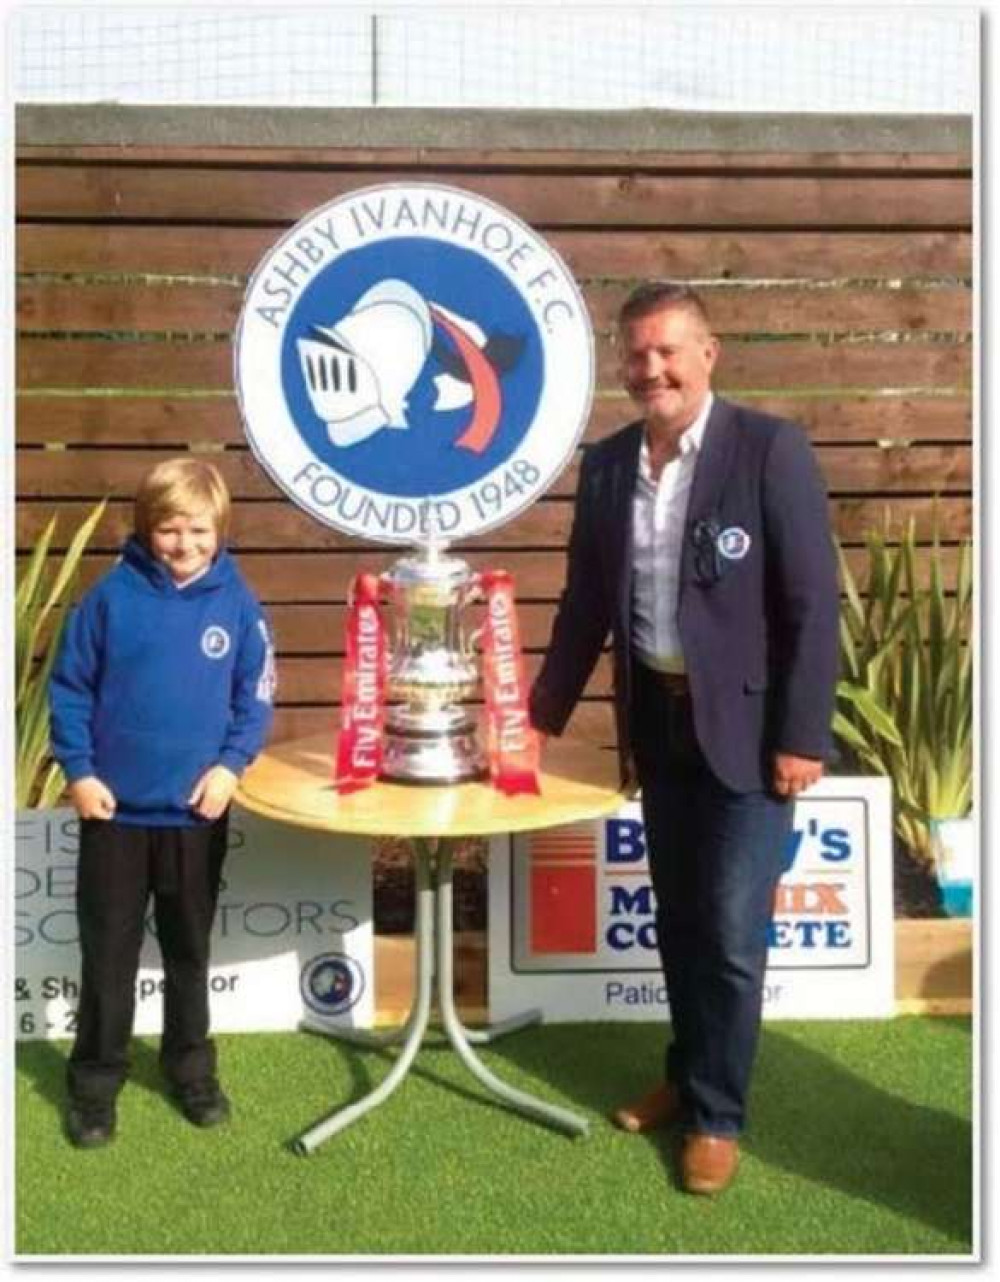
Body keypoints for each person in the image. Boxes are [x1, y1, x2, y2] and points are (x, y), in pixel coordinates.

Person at [529, 282, 839, 1195]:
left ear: (709, 354)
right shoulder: (609, 463)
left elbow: (812, 606)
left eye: (668, 350)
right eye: (636, 354)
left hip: (750, 738)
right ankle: (686, 1070)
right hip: (658, 729)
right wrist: (541, 717)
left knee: (732, 933)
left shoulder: (768, 449)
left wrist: (801, 736)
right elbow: (588, 602)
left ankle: (716, 1115)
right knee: (677, 920)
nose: (650, 368)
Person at [49, 458, 275, 1148]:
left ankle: (191, 1069)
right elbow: (70, 688)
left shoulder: (237, 605)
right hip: (114, 816)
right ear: (147, 530)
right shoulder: (109, 600)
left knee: (187, 951)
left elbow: (255, 695)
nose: (184, 544)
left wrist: (231, 768)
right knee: (109, 956)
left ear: (220, 530)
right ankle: (94, 1084)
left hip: (195, 816)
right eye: (169, 530)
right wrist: (81, 772)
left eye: (198, 531)